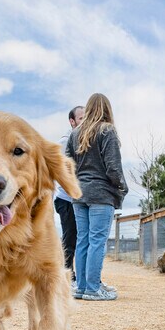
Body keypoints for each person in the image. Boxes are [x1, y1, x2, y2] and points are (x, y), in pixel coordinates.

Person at [66, 93, 128, 301]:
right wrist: (121, 188)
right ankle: (93, 288)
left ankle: (82, 287)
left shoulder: (75, 134)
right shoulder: (107, 131)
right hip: (101, 194)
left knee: (82, 240)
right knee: (97, 241)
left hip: (79, 194)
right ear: (107, 109)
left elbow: (67, 165)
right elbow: (113, 167)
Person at [54, 106, 84, 292]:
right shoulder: (65, 141)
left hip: (77, 198)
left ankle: (78, 277)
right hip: (66, 199)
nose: (85, 120)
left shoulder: (82, 138)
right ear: (72, 122)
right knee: (70, 237)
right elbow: (60, 171)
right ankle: (67, 276)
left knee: (80, 237)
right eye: (81, 118)